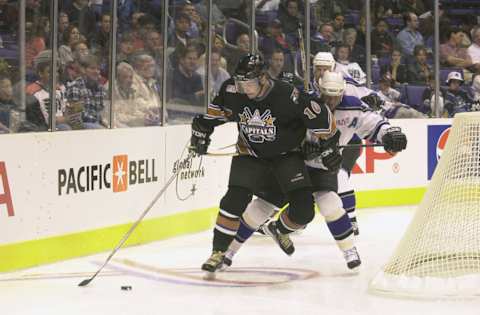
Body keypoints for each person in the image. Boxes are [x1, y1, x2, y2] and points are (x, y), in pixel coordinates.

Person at [223, 71, 407, 269]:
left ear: (342, 93)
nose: (331, 100)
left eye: (335, 95)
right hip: (290, 161)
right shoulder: (303, 103)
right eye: (327, 95)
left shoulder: (353, 107)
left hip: (321, 165)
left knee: (330, 203)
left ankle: (348, 251)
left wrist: (390, 133)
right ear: (319, 89)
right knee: (263, 206)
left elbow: (373, 124)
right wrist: (300, 145)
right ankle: (228, 251)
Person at [189, 53, 337, 277]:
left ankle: (279, 228)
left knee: (304, 211)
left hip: (286, 156)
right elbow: (211, 117)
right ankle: (218, 251)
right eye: (241, 83)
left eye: (249, 83)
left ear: (264, 79)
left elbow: (323, 121)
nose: (244, 88)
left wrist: (329, 146)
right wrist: (200, 133)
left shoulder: (288, 95)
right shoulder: (232, 91)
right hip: (250, 154)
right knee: (234, 199)